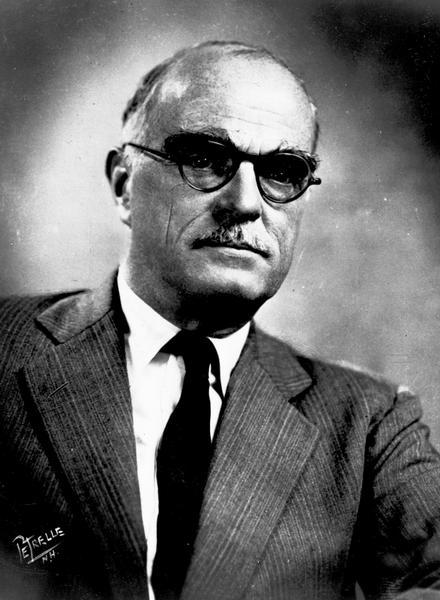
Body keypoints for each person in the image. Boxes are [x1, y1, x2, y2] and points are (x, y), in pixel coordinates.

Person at [0, 40, 440, 600]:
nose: (246, 202)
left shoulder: (369, 425)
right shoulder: (6, 352)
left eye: (282, 171)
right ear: (123, 185)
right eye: (205, 158)